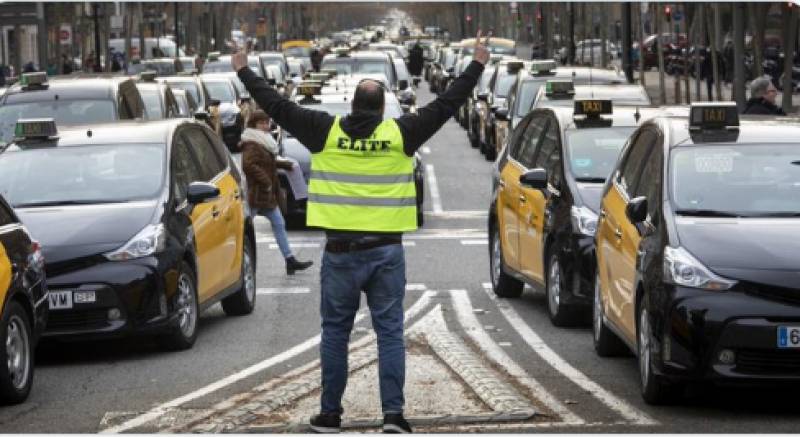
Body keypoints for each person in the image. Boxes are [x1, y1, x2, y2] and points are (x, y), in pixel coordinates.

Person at [232, 29, 491, 434]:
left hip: (340, 254)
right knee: (389, 333)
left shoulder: (324, 131)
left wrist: (244, 70)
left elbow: (276, 105)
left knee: (335, 333)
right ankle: (393, 416)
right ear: (384, 108)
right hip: (387, 253)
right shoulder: (399, 134)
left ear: (351, 106)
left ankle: (331, 414)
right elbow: (447, 103)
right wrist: (477, 62)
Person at [240, 111, 314, 275]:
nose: (266, 126)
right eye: (262, 123)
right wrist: (266, 181)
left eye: (267, 122)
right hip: (257, 193)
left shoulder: (263, 142)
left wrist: (287, 165)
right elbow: (249, 165)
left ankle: (290, 260)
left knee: (279, 224)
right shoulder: (252, 143)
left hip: (266, 195)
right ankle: (234, 265)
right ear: (254, 125)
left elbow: (267, 162)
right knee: (243, 230)